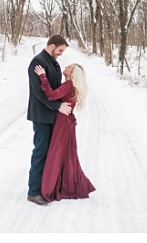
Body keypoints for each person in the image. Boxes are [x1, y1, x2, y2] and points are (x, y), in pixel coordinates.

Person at [35, 63, 96, 202]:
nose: (66, 66)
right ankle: (67, 185)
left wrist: (42, 77)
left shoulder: (68, 85)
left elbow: (51, 95)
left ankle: (49, 189)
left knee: (56, 153)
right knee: (66, 154)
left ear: (72, 73)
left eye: (69, 67)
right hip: (66, 122)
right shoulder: (71, 86)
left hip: (63, 123)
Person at [26, 35, 73, 206]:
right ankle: (33, 192)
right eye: (60, 50)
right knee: (40, 152)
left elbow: (55, 89)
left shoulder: (53, 61)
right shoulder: (37, 63)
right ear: (52, 45)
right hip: (41, 115)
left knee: (51, 153)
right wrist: (57, 107)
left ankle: (47, 188)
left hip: (52, 115)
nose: (61, 54)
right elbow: (39, 93)